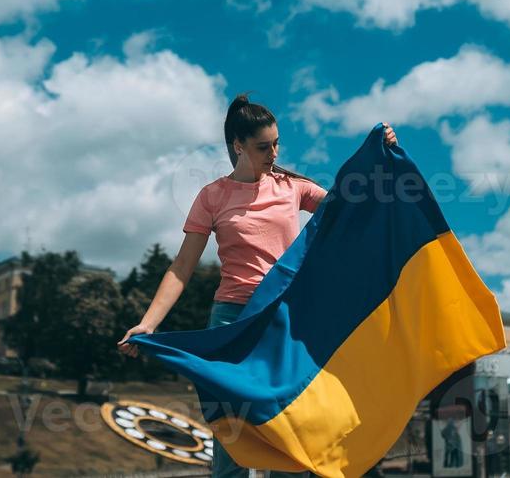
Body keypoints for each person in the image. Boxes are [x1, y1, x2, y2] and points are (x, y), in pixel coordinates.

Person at [116, 92, 398, 478]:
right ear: (238, 146)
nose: (273, 153)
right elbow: (181, 267)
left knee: (288, 434)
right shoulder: (212, 196)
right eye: (263, 146)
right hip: (232, 324)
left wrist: (380, 157)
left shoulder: (292, 188)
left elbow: (351, 204)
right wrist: (148, 324)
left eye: (276, 143)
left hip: (283, 321)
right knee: (232, 441)